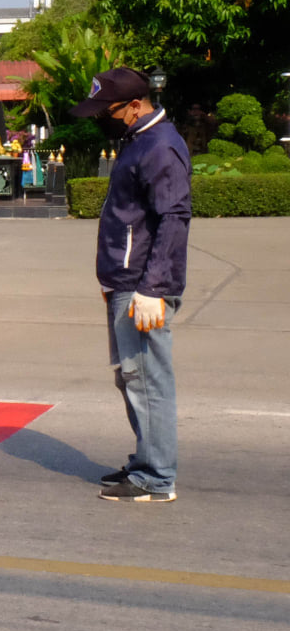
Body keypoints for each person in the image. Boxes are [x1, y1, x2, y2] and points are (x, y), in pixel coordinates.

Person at [71, 67, 190, 502]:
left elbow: (173, 218)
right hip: (126, 279)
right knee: (133, 378)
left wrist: (153, 288)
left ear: (136, 105)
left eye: (110, 110)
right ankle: (146, 460)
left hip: (143, 283)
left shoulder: (159, 147)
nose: (105, 118)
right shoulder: (139, 142)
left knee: (147, 380)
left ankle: (157, 477)